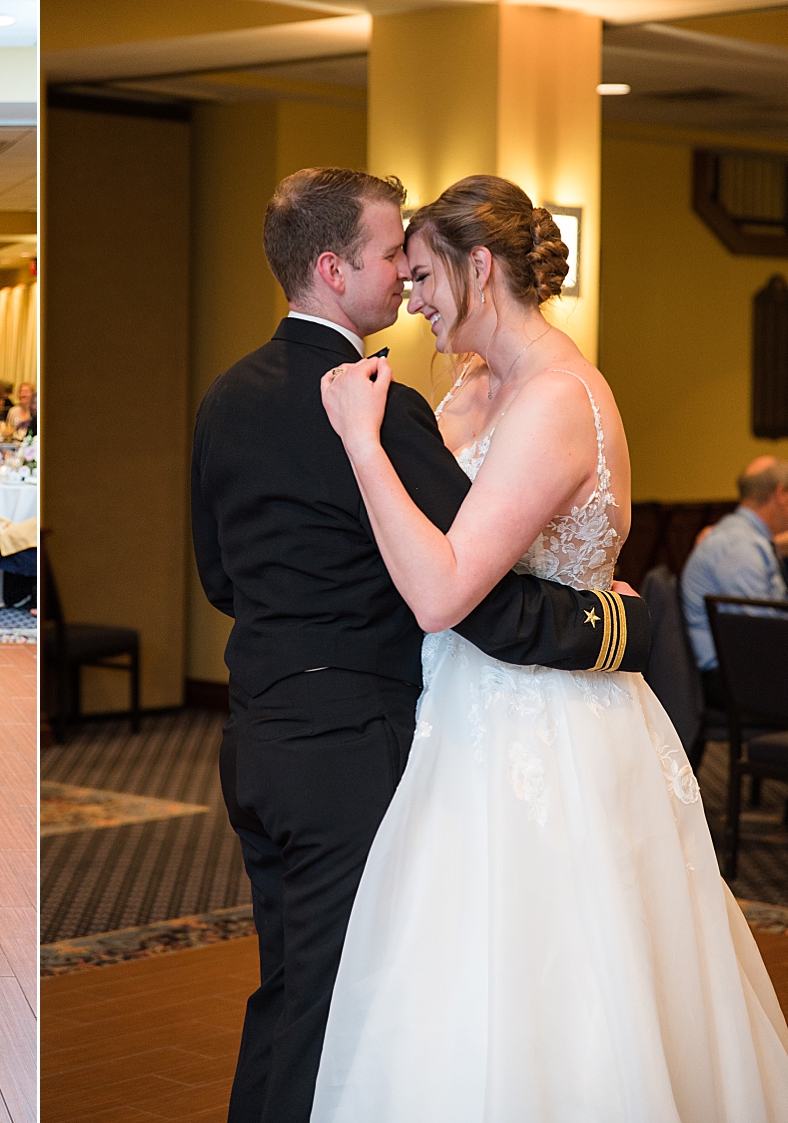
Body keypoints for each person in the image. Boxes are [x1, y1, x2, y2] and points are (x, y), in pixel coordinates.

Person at [312, 174, 788, 1119]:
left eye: (421, 277)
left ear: (477, 267)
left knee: (559, 986)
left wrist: (362, 443)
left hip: (547, 724)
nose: (409, 300)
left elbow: (446, 586)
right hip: (461, 711)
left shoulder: (559, 399)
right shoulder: (473, 385)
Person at [191, 167, 656, 1123]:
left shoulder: (226, 397)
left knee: (287, 988)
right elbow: (470, 599)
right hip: (353, 747)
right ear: (332, 268)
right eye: (390, 252)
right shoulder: (386, 406)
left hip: (256, 737)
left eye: (418, 258)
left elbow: (219, 579)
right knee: (333, 1006)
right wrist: (612, 626)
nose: (405, 273)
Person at [681, 456, 788, 709]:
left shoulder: (744, 538)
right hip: (734, 680)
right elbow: (763, 635)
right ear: (781, 494)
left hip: (744, 669)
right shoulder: (740, 547)